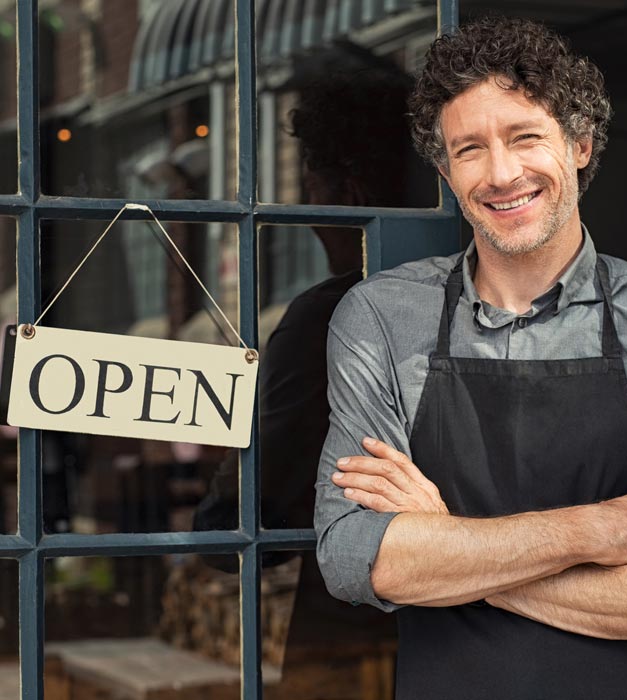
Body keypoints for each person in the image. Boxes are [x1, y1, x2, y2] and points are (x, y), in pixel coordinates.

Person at [314, 15, 627, 700]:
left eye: (525, 138)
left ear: (580, 144)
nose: (500, 174)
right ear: (445, 170)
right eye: (469, 150)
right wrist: (593, 529)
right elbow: (353, 559)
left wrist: (440, 543)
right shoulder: (381, 319)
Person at [194, 46, 434, 698]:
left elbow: (237, 522)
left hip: (357, 646)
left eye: (309, 182)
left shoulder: (327, 321)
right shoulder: (499, 307)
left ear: (344, 193)